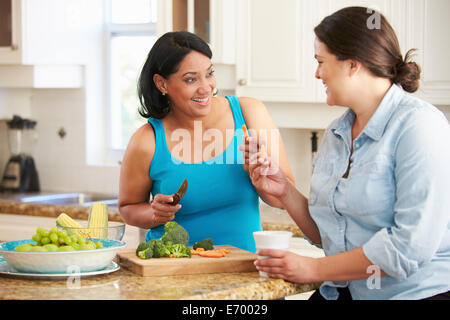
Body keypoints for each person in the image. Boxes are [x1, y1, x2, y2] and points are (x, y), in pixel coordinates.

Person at [243, 7, 450, 299]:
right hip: (343, 292)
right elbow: (328, 235)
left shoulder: (420, 126)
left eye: (320, 62)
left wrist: (315, 270)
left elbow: (408, 248)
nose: (316, 73)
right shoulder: (337, 133)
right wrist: (285, 191)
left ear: (353, 64)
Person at [118, 31, 294, 253]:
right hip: (173, 272)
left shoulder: (249, 113)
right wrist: (154, 214)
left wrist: (262, 178)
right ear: (162, 84)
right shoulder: (147, 140)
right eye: (190, 79)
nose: (206, 88)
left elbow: (284, 199)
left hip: (244, 267)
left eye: (209, 74)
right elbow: (128, 208)